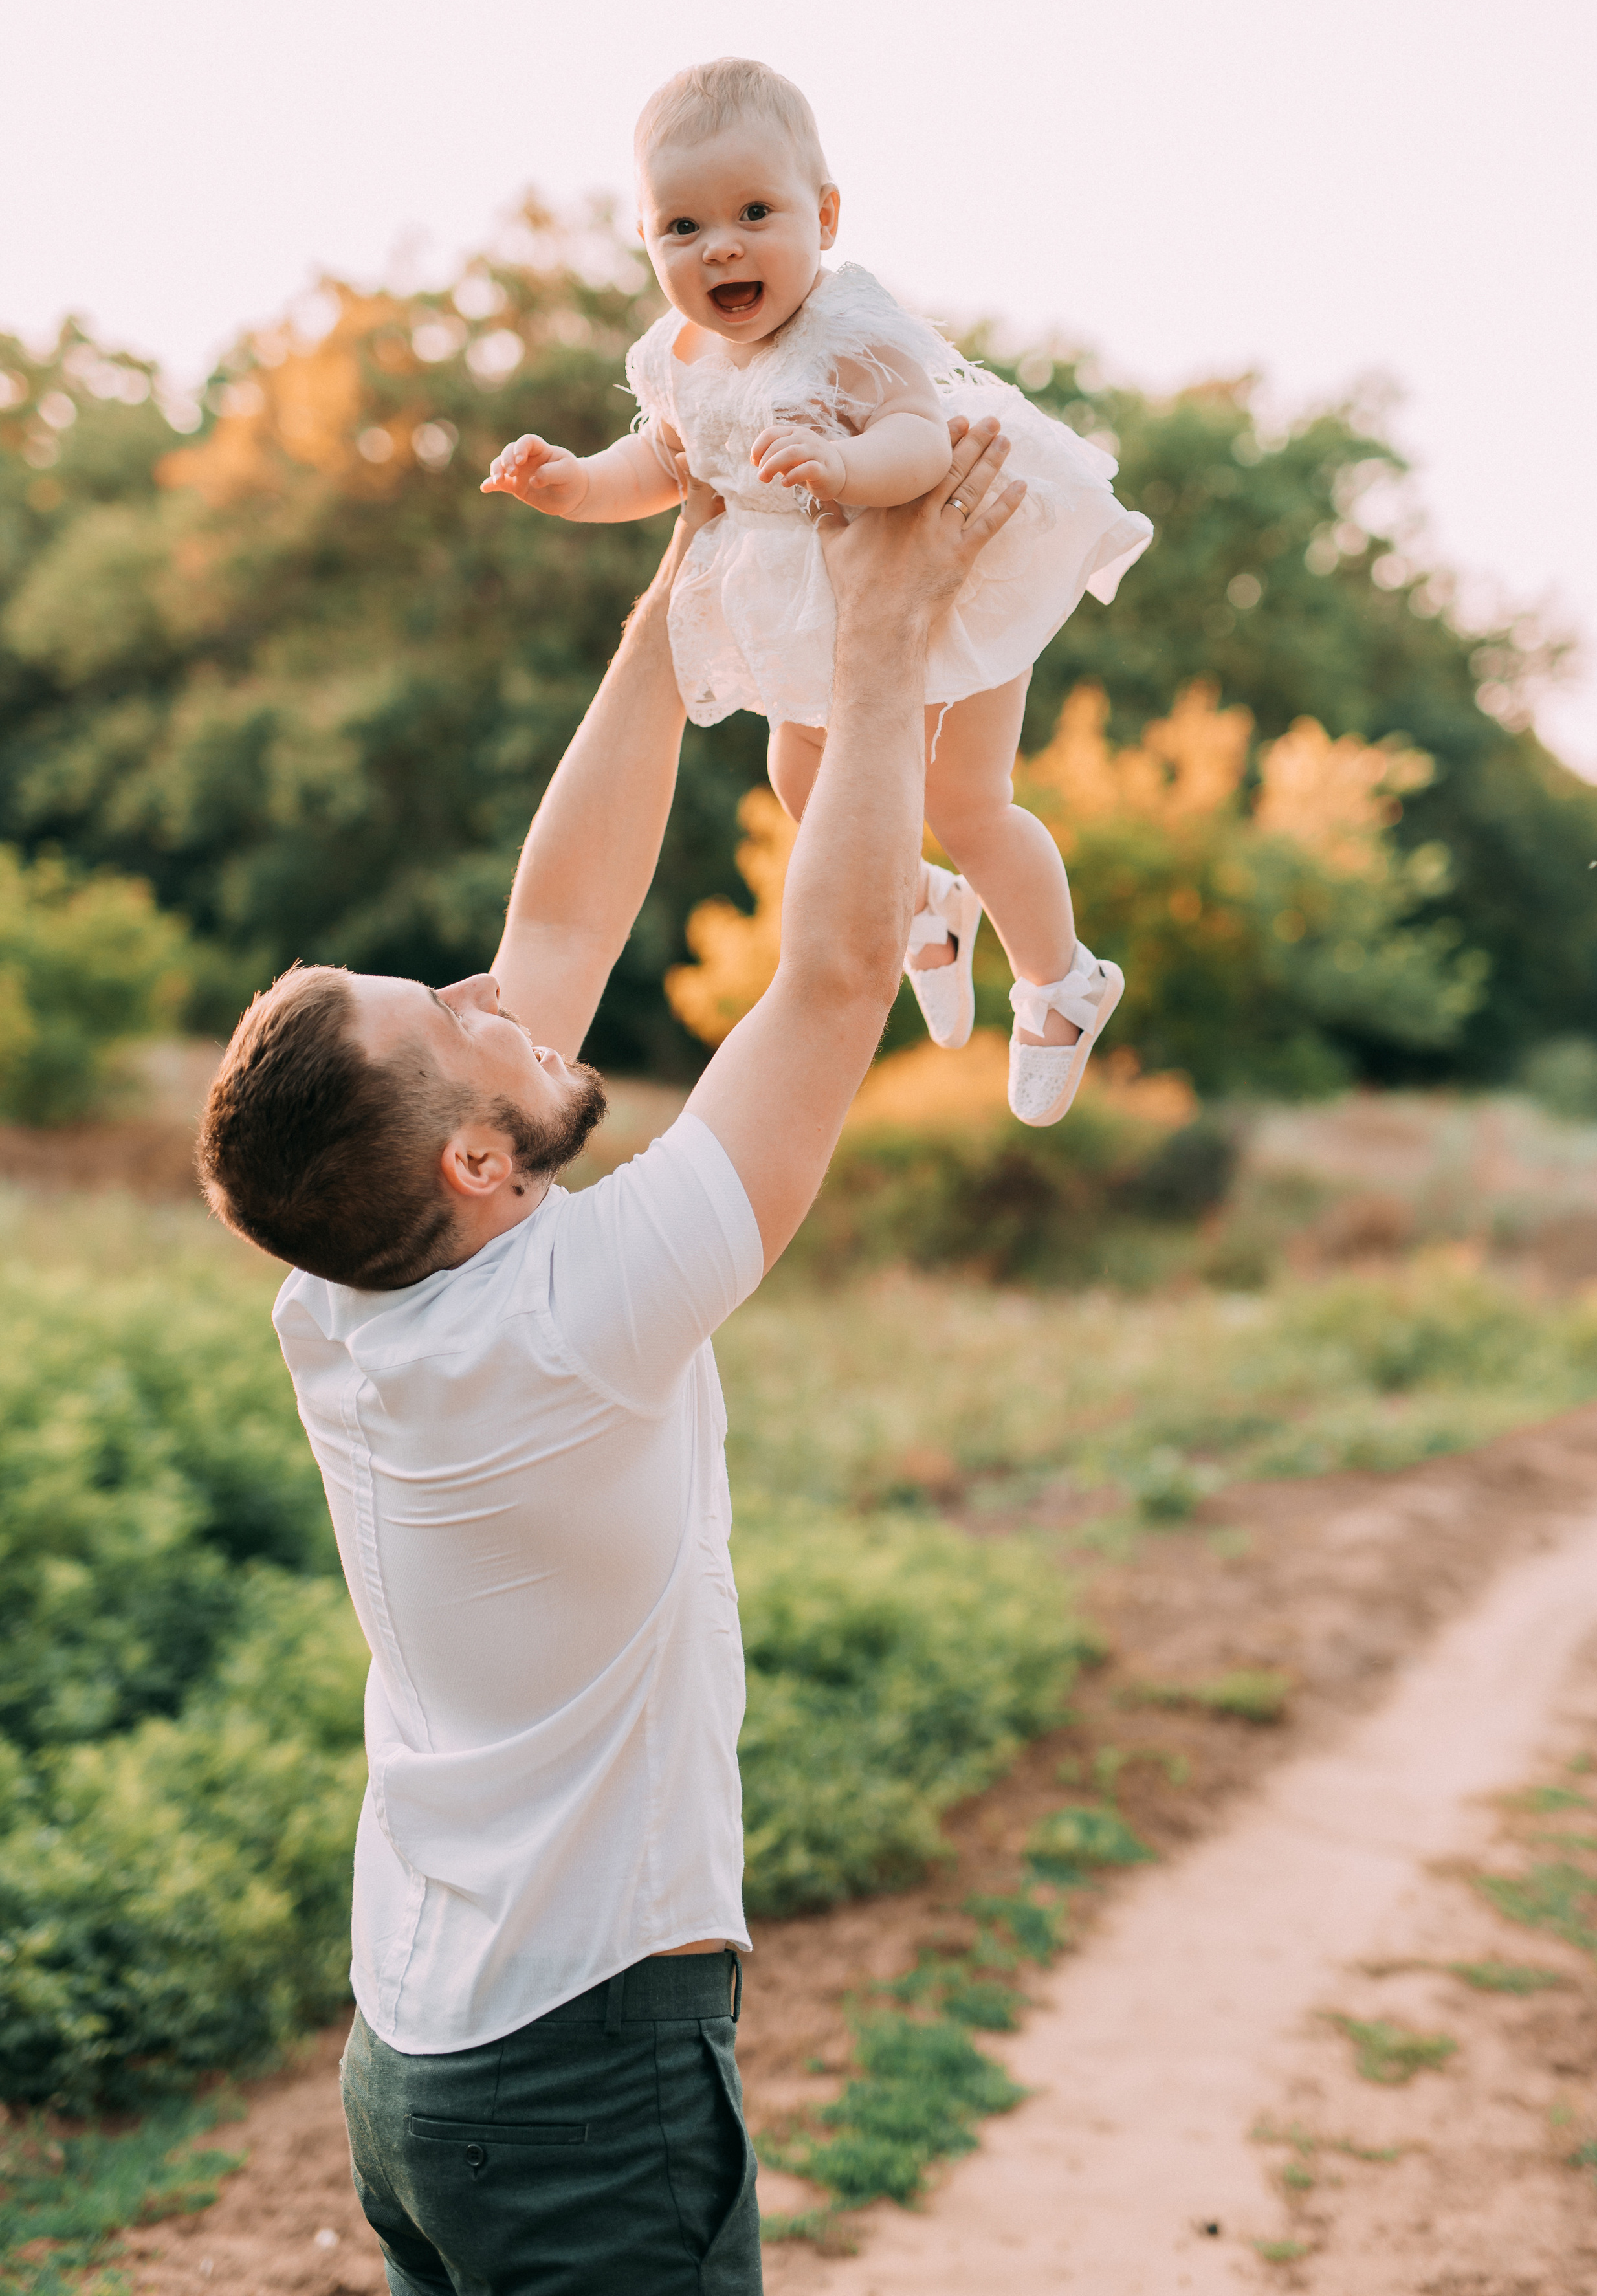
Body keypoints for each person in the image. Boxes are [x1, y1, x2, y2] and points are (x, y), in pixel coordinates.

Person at [193, 422, 1024, 2296]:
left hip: (420, 2064)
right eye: (454, 1019)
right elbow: (828, 982)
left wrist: (686, 578)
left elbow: (562, 918)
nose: (491, 990)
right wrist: (881, 636)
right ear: (475, 1165)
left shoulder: (344, 1289)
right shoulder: (577, 1323)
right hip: (582, 2076)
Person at [483, 56, 1151, 1129]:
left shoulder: (852, 334)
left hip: (945, 574)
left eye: (756, 212)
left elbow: (920, 440)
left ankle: (1062, 981)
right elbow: (663, 464)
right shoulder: (682, 356)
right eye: (684, 228)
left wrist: (845, 468)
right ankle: (922, 906)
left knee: (964, 803)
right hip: (820, 614)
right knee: (800, 776)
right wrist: (571, 485)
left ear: (825, 215)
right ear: (649, 243)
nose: (724, 245)